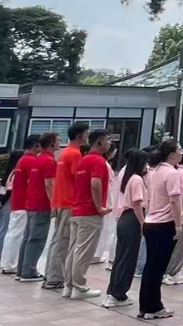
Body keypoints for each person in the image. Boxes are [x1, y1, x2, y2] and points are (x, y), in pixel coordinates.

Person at [61, 128, 112, 299]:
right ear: (99, 142)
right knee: (83, 252)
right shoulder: (98, 161)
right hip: (89, 212)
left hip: (77, 210)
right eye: (108, 140)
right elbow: (95, 184)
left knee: (73, 250)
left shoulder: (84, 160)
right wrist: (99, 208)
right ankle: (79, 287)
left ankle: (68, 286)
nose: (110, 143)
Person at [139, 139, 183, 320]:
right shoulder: (172, 173)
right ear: (172, 154)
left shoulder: (154, 171)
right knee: (157, 268)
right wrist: (178, 224)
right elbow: (174, 201)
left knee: (151, 267)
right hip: (164, 224)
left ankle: (146, 306)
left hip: (151, 223)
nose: (182, 153)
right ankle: (154, 307)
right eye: (179, 150)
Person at [44, 120, 89, 292]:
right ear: (79, 136)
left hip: (62, 202)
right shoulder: (75, 155)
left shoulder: (65, 153)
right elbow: (80, 180)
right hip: (69, 203)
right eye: (86, 134)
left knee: (58, 240)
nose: (87, 137)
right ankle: (55, 277)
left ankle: (51, 275)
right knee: (63, 241)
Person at [105, 149, 148, 308]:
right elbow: (137, 204)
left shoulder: (127, 176)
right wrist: (143, 223)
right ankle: (119, 294)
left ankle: (114, 291)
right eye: (145, 163)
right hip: (132, 218)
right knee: (128, 258)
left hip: (125, 218)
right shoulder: (136, 179)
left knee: (121, 257)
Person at [17, 131, 59, 282]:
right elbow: (49, 184)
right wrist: (53, 204)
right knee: (37, 238)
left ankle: (22, 269)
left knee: (28, 237)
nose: (59, 143)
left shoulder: (37, 159)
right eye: (57, 141)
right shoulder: (48, 160)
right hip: (41, 204)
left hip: (31, 203)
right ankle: (29, 271)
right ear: (52, 144)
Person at [0, 137, 34, 273]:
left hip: (10, 203)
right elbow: (9, 189)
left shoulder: (12, 172)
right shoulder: (16, 172)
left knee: (8, 231)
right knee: (9, 231)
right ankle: (8, 261)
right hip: (12, 203)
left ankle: (5, 260)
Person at [162, 153, 183, 286]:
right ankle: (173, 272)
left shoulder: (168, 171)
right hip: (181, 213)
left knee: (169, 245)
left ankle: (165, 271)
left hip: (170, 214)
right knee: (180, 245)